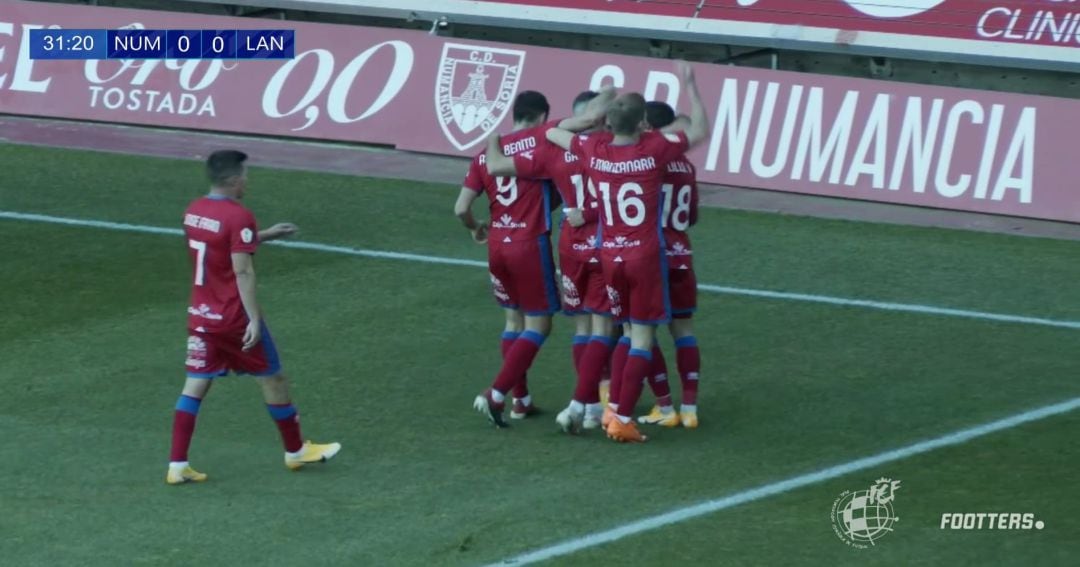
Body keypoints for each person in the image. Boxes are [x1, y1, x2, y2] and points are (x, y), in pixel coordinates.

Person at [545, 62, 710, 442]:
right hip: (645, 256)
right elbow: (698, 130)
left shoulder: (593, 148)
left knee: (619, 332)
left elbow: (555, 131)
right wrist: (690, 84)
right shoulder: (653, 149)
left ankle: (602, 407)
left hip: (609, 257)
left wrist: (593, 113)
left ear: (609, 122)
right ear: (641, 125)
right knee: (641, 337)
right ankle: (620, 416)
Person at [168, 150, 341, 484]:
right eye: (245, 175)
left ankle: (177, 465)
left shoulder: (193, 212)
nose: (248, 180)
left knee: (195, 384)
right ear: (233, 180)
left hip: (200, 315)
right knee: (273, 378)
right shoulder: (239, 216)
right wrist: (253, 320)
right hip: (232, 317)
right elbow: (242, 271)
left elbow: (216, 245)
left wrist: (266, 235)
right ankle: (295, 451)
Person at [455, 91, 605, 427]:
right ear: (542, 117)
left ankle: (521, 401)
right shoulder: (542, 142)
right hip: (529, 244)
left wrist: (475, 226)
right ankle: (497, 393)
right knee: (540, 324)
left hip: (496, 245)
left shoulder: (484, 156)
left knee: (513, 323)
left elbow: (461, 208)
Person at [635, 101, 702, 429]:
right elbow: (692, 216)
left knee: (642, 332)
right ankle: (690, 408)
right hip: (681, 253)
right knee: (684, 331)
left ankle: (664, 406)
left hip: (651, 254)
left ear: (648, 125)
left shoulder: (648, 161)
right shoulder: (687, 166)